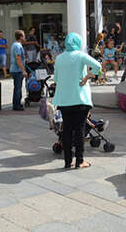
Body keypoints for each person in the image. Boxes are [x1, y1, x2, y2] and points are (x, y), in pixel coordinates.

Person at [53, 32, 102, 169]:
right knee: (79, 131)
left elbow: (56, 79)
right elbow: (97, 66)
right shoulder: (81, 56)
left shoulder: (59, 58)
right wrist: (87, 77)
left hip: (64, 100)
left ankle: (68, 162)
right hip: (80, 99)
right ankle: (79, 161)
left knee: (67, 130)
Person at [10, 30, 28, 110]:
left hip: (16, 69)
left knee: (18, 87)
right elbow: (18, 58)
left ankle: (17, 103)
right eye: (24, 36)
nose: (25, 38)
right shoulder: (17, 46)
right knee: (17, 88)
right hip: (17, 70)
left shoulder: (16, 45)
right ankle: (16, 105)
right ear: (20, 37)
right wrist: (23, 70)